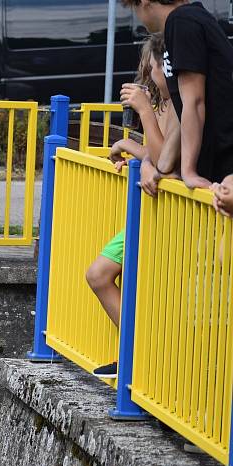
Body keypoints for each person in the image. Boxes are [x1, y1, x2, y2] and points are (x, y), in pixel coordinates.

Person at [88, 34, 177, 379]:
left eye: (152, 67)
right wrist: (130, 146)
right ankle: (134, 352)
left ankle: (137, 356)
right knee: (99, 275)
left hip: (164, 212)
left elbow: (163, 158)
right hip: (151, 211)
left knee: (101, 275)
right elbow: (158, 156)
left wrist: (143, 113)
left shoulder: (177, 105)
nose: (149, 75)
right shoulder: (167, 105)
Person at [122, 0, 233, 195]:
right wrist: (162, 168)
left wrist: (188, 171)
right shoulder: (187, 20)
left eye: (134, 8)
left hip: (224, 164)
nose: (138, 17)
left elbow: (194, 101)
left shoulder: (181, 21)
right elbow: (180, 106)